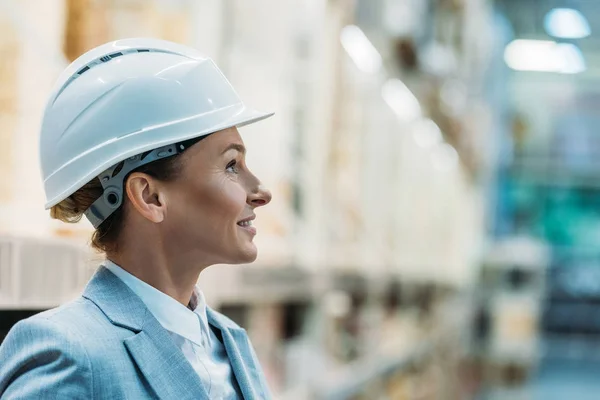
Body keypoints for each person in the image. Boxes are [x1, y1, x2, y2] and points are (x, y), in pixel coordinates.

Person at [0, 38, 273, 399]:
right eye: (231, 165)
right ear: (150, 196)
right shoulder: (67, 355)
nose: (261, 191)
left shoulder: (232, 344)